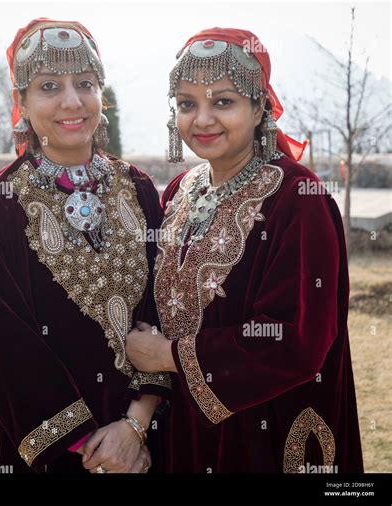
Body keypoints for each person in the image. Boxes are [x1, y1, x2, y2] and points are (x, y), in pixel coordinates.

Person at [126, 27, 363, 473]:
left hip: (267, 432)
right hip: (185, 433)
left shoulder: (298, 197)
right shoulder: (180, 190)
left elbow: (297, 339)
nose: (202, 119)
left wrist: (169, 356)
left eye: (223, 101)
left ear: (259, 107)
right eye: (187, 104)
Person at [0, 18, 170, 474]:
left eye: (85, 84)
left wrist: (134, 427)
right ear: (21, 103)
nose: (73, 102)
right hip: (41, 448)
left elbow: (162, 311)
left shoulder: (140, 189)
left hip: (140, 441)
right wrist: (90, 447)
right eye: (49, 86)